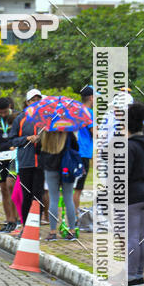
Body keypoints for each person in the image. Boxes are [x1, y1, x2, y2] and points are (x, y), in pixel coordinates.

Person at [0, 88, 44, 234]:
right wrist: (27, 139)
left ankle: (35, 226)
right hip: (25, 163)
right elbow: (12, 140)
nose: (36, 103)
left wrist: (42, 138)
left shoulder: (46, 119)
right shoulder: (20, 119)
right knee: (26, 196)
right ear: (27, 102)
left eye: (38, 100)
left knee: (38, 196)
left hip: (41, 162)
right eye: (33, 100)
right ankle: (24, 226)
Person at [127, 102, 144, 286]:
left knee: (132, 236)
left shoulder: (129, 147)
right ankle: (139, 274)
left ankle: (130, 276)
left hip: (133, 196)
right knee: (141, 235)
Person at [38, 129, 79, 241]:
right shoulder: (68, 133)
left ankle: (52, 232)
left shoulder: (45, 132)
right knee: (68, 198)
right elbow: (76, 147)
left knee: (54, 199)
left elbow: (38, 150)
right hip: (67, 168)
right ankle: (72, 231)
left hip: (50, 168)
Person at [0, 97, 19, 232]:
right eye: (0, 112)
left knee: (11, 185)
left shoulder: (17, 116)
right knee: (3, 189)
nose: (3, 115)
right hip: (1, 157)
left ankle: (16, 219)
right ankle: (9, 220)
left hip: (14, 156)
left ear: (10, 107)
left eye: (5, 112)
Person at [73, 85, 94, 213]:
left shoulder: (76, 111)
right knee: (78, 188)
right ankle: (74, 215)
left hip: (74, 152)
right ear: (91, 98)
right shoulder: (88, 113)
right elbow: (94, 132)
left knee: (73, 186)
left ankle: (73, 212)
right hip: (83, 153)